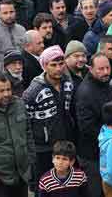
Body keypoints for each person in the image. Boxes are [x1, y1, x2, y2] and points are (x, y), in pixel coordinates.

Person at [23, 45, 76, 188]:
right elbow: (25, 123)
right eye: (53, 65)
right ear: (44, 66)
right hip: (43, 148)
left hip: (65, 142)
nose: (59, 68)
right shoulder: (33, 92)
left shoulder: (68, 84)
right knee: (44, 185)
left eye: (61, 64)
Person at [75, 52, 112, 196]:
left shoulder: (105, 85)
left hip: (106, 149)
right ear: (91, 69)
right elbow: (87, 127)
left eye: (107, 68)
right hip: (92, 154)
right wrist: (111, 136)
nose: (105, 72)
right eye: (101, 69)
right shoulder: (85, 92)